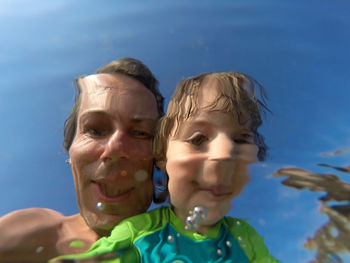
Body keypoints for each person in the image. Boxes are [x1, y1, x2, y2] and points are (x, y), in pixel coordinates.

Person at [52, 72, 279, 262]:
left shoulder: (245, 237)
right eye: (198, 139)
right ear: (162, 157)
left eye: (240, 140)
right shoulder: (139, 233)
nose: (224, 154)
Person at [0, 57, 165, 263]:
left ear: (161, 161)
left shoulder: (189, 245)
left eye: (140, 133)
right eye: (95, 129)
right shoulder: (29, 233)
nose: (114, 148)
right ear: (70, 150)